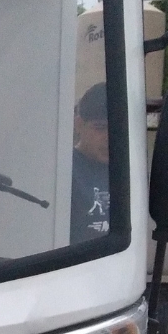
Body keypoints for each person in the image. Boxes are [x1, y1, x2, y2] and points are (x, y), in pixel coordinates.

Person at [70, 82, 111, 243]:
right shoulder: (64, 170)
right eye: (100, 128)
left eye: (116, 129)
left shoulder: (128, 171)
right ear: (79, 125)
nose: (109, 137)